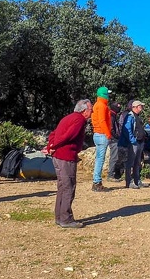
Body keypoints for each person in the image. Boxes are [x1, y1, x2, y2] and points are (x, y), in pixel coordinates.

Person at [47, 99, 93, 228]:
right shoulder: (78, 120)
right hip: (65, 157)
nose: (92, 112)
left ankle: (59, 216)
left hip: (60, 156)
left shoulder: (69, 117)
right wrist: (53, 146)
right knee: (69, 186)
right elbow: (68, 136)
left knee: (63, 187)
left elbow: (54, 133)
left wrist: (51, 145)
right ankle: (66, 219)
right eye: (91, 110)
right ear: (84, 111)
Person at [119, 100, 147, 189]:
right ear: (134, 107)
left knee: (137, 163)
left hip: (139, 142)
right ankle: (129, 182)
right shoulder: (130, 116)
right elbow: (127, 130)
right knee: (130, 163)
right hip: (133, 143)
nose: (141, 108)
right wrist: (133, 140)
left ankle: (137, 180)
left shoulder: (137, 117)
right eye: (140, 106)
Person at [90, 86, 112, 192]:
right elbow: (103, 121)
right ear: (104, 94)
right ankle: (97, 182)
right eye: (107, 94)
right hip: (102, 134)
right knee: (100, 160)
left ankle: (96, 181)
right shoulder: (102, 105)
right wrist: (108, 134)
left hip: (97, 134)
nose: (109, 96)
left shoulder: (97, 105)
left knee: (99, 159)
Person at [106, 101, 123, 182]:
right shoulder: (111, 115)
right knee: (114, 156)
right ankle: (110, 175)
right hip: (113, 139)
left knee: (115, 156)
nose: (119, 108)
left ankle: (112, 174)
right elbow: (111, 128)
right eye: (118, 106)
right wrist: (117, 137)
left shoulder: (113, 115)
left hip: (113, 138)